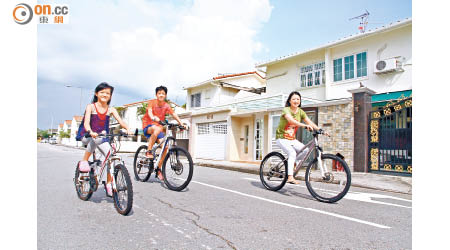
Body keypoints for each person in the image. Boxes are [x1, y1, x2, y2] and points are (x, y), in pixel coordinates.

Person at [78, 82, 132, 196]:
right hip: (87, 135)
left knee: (110, 155)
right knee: (96, 139)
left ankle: (109, 184)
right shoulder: (91, 106)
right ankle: (84, 160)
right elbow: (86, 123)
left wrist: (127, 128)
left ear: (110, 96)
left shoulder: (111, 109)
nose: (105, 95)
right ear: (96, 94)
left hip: (101, 136)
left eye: (107, 93)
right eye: (102, 92)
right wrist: (91, 132)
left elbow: (121, 122)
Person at [275, 91, 328, 184]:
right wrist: (304, 126)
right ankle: (290, 177)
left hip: (292, 139)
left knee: (305, 150)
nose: (296, 101)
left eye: (298, 99)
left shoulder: (301, 112)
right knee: (292, 153)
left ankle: (293, 163)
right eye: (294, 99)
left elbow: (309, 122)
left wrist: (321, 130)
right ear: (290, 101)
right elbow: (291, 121)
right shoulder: (286, 110)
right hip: (282, 138)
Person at [141, 86, 186, 181]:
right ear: (156, 95)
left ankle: (158, 169)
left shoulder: (166, 106)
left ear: (165, 95)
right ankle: (149, 151)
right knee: (156, 129)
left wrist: (181, 123)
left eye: (163, 93)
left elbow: (173, 114)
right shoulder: (152, 102)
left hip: (158, 127)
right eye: (159, 93)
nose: (161, 95)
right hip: (148, 125)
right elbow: (149, 112)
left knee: (165, 147)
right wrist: (153, 117)